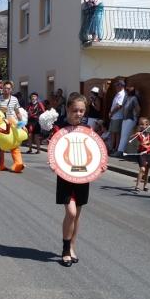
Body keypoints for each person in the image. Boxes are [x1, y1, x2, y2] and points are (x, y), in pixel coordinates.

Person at [54, 93, 106, 267]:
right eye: (75, 110)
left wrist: (101, 165)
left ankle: (72, 247)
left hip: (83, 177)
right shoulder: (59, 128)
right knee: (71, 213)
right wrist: (53, 161)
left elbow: (95, 152)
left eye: (82, 111)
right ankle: (65, 249)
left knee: (77, 217)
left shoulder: (87, 131)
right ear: (68, 109)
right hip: (65, 178)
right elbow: (55, 151)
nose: (79, 114)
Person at [0, 80, 26, 172]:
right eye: (5, 88)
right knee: (1, 145)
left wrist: (22, 124)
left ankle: (18, 164)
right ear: (2, 89)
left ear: (11, 90)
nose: (6, 90)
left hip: (12, 122)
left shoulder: (14, 99)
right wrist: (0, 110)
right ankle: (1, 164)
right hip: (1, 123)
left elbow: (18, 113)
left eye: (8, 88)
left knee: (14, 144)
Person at [131, 117, 150, 192]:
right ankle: (137, 186)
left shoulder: (149, 135)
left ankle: (145, 185)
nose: (141, 126)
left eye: (143, 124)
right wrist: (136, 134)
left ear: (147, 126)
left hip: (148, 153)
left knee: (147, 170)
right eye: (140, 124)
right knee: (142, 169)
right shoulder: (139, 134)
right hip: (141, 153)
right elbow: (131, 138)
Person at [116, 85, 140, 155]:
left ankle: (120, 151)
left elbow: (138, 109)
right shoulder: (127, 98)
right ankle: (120, 150)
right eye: (127, 91)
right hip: (126, 118)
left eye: (128, 91)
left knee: (125, 135)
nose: (127, 92)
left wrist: (136, 117)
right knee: (123, 135)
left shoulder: (134, 98)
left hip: (130, 118)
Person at [108, 80, 126, 154]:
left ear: (121, 86)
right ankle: (111, 148)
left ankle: (115, 148)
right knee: (113, 132)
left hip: (118, 116)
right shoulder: (118, 93)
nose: (115, 87)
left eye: (117, 85)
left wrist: (111, 113)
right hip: (114, 116)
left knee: (117, 133)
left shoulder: (122, 94)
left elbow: (119, 105)